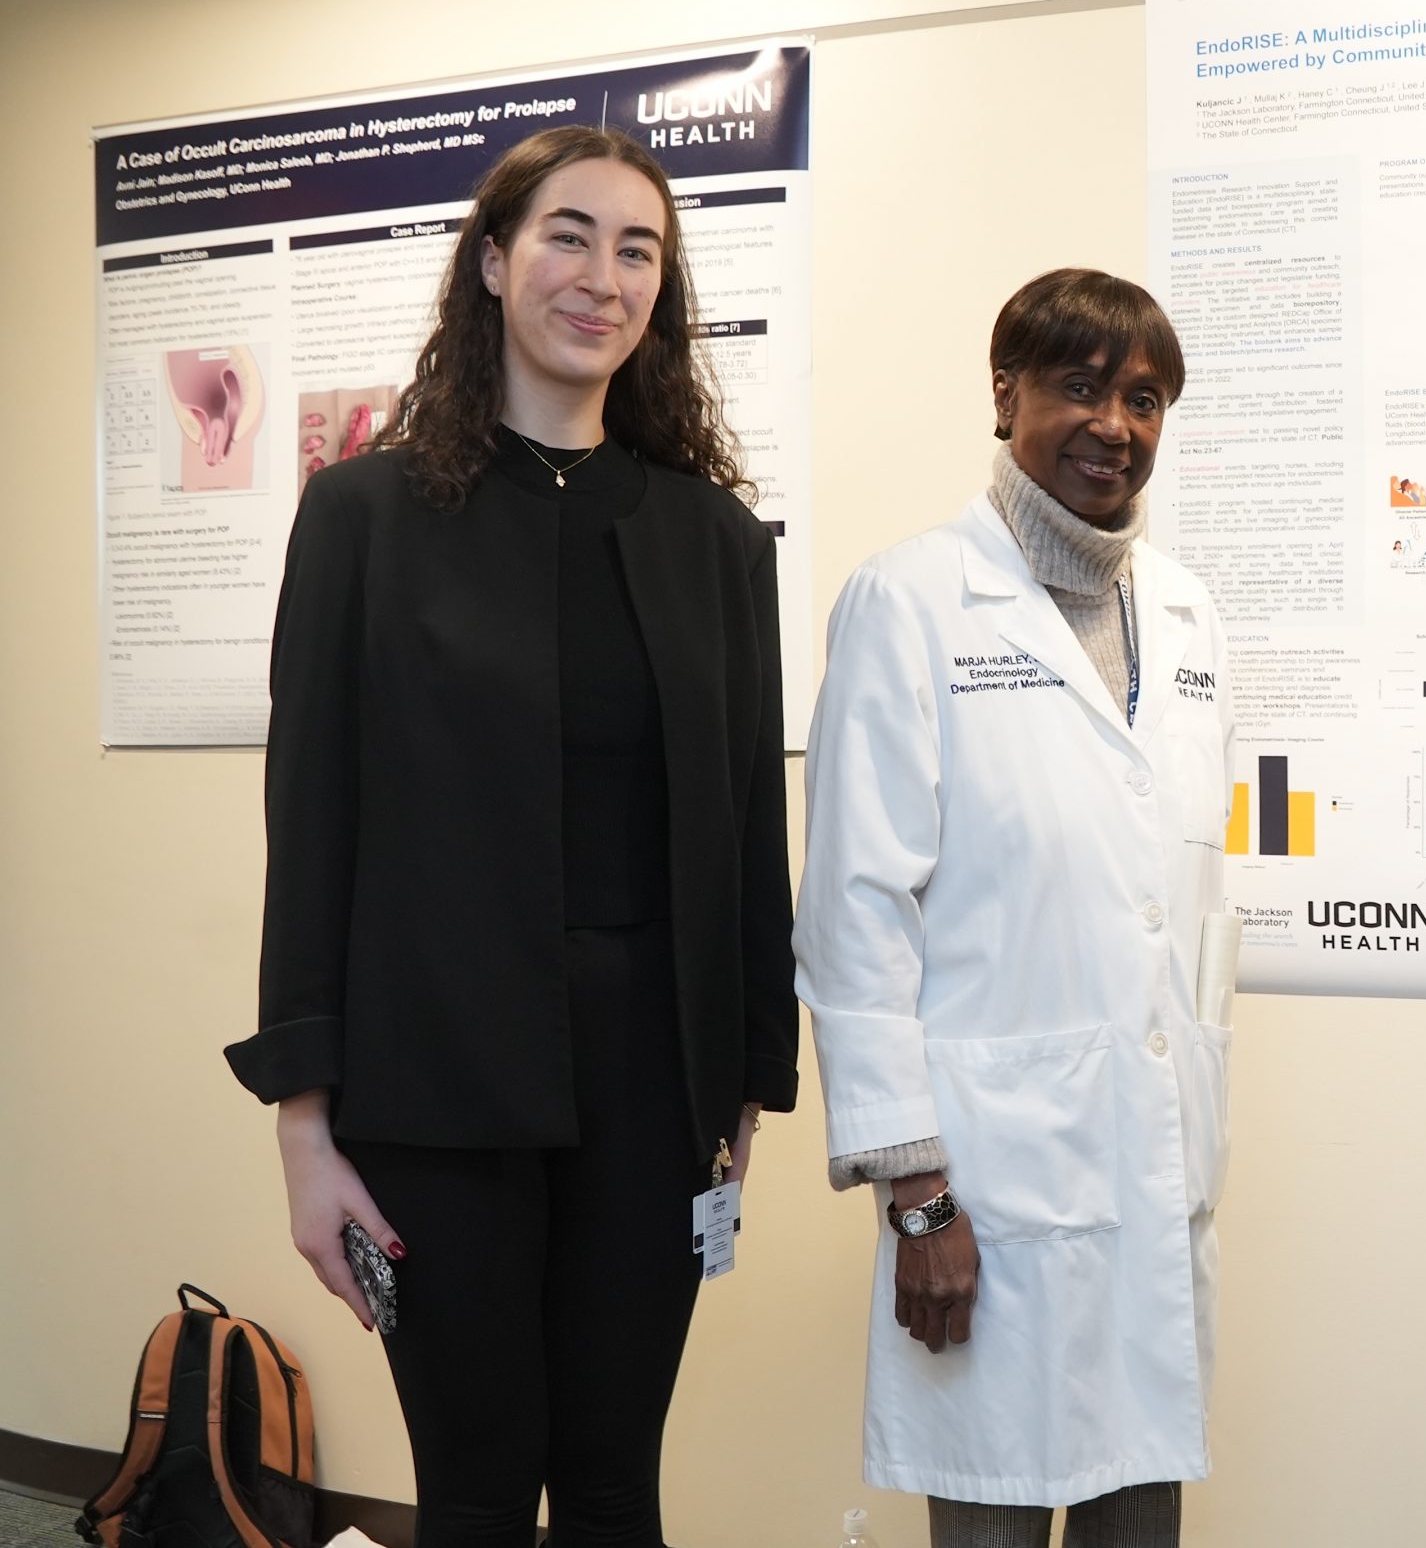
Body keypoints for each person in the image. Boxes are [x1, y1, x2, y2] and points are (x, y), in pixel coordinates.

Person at [225, 125, 797, 1546]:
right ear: (491, 261)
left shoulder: (714, 538)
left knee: (614, 1489)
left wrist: (746, 1083)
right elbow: (313, 821)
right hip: (431, 1085)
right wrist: (305, 1126)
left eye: (638, 248)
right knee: (477, 1493)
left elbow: (743, 819)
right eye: (567, 235)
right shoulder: (363, 515)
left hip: (654, 1087)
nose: (602, 276)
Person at [797, 268, 1234, 1547]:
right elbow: (854, 917)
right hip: (986, 1181)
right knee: (990, 1517)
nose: (1114, 422)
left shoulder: (1193, 617)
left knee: (1137, 1507)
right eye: (1081, 387)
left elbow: (1181, 899)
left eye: (1143, 397)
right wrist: (915, 1195)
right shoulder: (911, 601)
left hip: (1152, 1158)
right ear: (1007, 396)